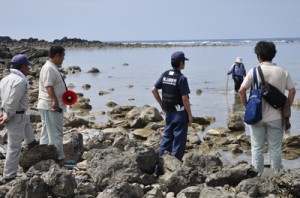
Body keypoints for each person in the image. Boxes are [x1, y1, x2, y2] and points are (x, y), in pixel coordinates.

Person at [239, 41, 296, 176]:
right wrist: (286, 106)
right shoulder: (283, 72)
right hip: (276, 116)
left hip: (256, 116)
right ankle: (275, 176)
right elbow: (292, 91)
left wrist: (247, 106)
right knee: (275, 149)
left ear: (258, 56)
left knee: (257, 148)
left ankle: (258, 177)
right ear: (273, 55)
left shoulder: (253, 71)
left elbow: (241, 90)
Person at [151, 51, 193, 176]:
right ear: (181, 63)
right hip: (180, 114)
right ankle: (174, 171)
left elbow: (153, 90)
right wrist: (190, 115)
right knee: (179, 142)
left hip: (169, 112)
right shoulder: (181, 78)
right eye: (184, 61)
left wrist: (161, 105)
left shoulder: (165, 75)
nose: (184, 63)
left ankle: (159, 169)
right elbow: (185, 99)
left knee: (167, 139)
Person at [0, 54, 38, 182]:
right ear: (22, 67)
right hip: (15, 115)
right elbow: (12, 100)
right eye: (27, 66)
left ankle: (31, 142)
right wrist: (7, 115)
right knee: (14, 147)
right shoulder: (20, 81)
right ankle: (9, 175)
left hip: (15, 113)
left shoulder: (5, 79)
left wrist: (3, 112)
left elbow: (3, 98)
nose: (29, 69)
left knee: (26, 120)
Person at [37, 46, 67, 165]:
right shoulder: (49, 68)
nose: (64, 59)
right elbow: (48, 86)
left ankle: (43, 157)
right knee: (56, 132)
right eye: (63, 56)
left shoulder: (50, 67)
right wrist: (55, 101)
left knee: (46, 132)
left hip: (47, 105)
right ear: (57, 55)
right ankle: (60, 158)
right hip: (51, 106)